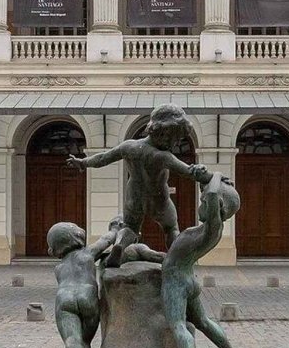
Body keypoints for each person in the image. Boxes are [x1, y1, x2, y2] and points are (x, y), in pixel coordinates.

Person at [123, 173, 242, 348]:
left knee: (176, 323)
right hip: (188, 279)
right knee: (203, 322)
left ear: (216, 207)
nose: (200, 204)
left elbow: (214, 194)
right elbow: (211, 193)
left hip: (176, 282)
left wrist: (215, 177)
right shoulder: (207, 229)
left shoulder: (212, 228)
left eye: (203, 201)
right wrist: (205, 182)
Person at [66, 104, 211, 266]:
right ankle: (176, 261)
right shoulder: (163, 156)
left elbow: (102, 158)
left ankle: (119, 245)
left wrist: (82, 162)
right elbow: (189, 172)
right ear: (166, 132)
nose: (176, 143)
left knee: (130, 228)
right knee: (170, 228)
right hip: (158, 199)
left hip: (134, 197)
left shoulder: (129, 146)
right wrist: (211, 177)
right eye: (176, 138)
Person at [48, 216, 124, 348]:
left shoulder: (58, 268)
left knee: (72, 338)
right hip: (87, 296)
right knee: (85, 341)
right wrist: (114, 229)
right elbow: (106, 240)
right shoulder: (88, 254)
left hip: (64, 299)